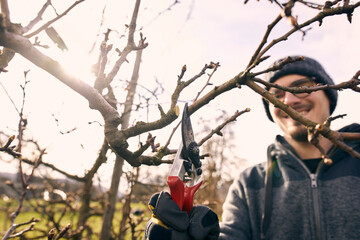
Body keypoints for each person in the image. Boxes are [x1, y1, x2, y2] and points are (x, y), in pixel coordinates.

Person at [144, 56, 360, 240]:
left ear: (329, 95)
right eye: (277, 96)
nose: (290, 99)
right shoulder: (249, 184)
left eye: (302, 87)